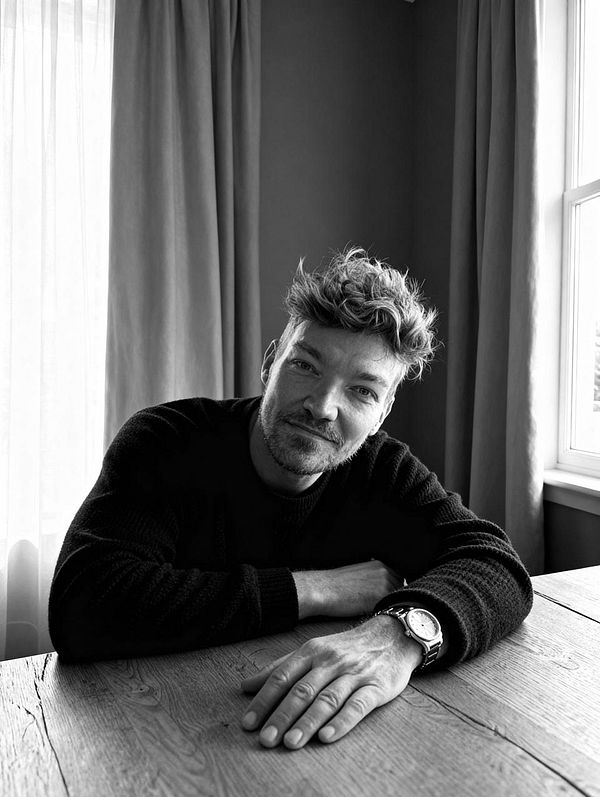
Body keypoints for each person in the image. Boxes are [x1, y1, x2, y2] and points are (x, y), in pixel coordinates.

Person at [48, 247, 533, 751]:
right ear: (269, 364)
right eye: (305, 365)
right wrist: (319, 589)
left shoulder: (383, 469)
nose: (323, 407)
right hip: (151, 733)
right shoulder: (167, 441)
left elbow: (497, 564)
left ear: (383, 412)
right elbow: (83, 604)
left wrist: (399, 637)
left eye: (363, 392)